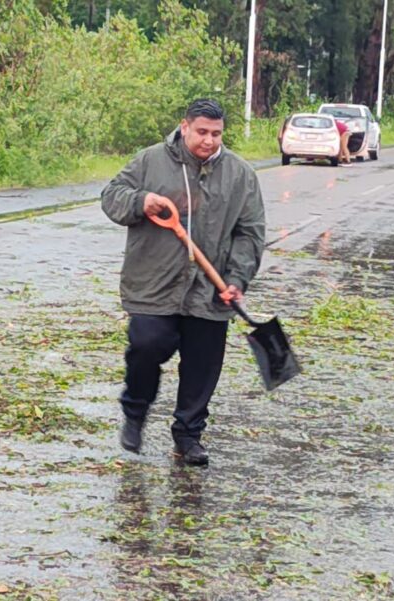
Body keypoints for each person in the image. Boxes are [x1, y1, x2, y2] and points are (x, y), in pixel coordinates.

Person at [101, 99, 266, 466]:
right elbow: (111, 197)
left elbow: (250, 233)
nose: (209, 141)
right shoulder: (150, 161)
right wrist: (141, 200)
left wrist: (237, 278)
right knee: (146, 345)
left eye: (217, 134)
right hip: (154, 283)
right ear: (185, 126)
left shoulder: (240, 174)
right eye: (202, 132)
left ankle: (188, 436)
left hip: (211, 290)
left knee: (202, 365)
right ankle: (135, 411)